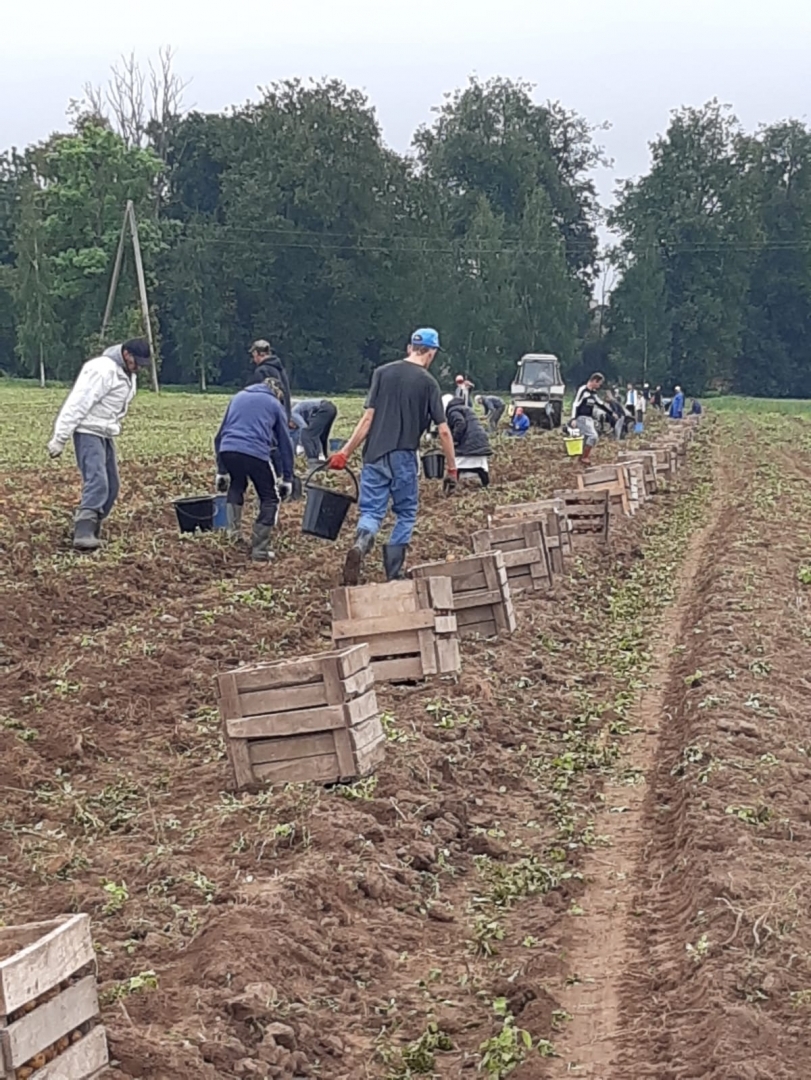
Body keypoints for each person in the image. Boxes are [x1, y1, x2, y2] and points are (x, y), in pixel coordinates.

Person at [328, 328, 456, 584]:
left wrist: (344, 452)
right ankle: (394, 572)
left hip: (374, 454)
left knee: (372, 510)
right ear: (431, 353)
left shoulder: (382, 373)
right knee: (406, 512)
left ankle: (362, 541)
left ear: (410, 347)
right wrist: (452, 468)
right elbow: (443, 431)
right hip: (404, 456)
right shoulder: (428, 383)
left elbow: (368, 419)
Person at [47, 339, 151, 552]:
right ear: (126, 354)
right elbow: (78, 402)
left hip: (104, 433)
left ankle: (94, 527)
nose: (139, 367)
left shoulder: (127, 374)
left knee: (112, 486)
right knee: (98, 481)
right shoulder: (101, 369)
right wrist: (60, 437)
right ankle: (83, 532)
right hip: (87, 430)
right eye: (136, 362)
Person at [214, 379, 294, 562]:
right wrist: (287, 478)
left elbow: (219, 436)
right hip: (255, 452)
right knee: (269, 497)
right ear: (278, 393)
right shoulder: (274, 404)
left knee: (237, 484)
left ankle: (233, 536)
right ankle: (260, 549)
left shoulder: (238, 397)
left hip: (228, 449)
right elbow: (285, 442)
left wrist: (222, 470)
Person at [442, 393, 492, 487]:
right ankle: (486, 485)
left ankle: (451, 487)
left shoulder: (453, 411)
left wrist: (454, 439)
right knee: (479, 466)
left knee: (456, 465)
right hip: (479, 440)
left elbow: (460, 424)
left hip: (470, 442)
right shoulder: (464, 408)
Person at [571, 372, 614, 465]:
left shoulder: (593, 393)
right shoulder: (583, 390)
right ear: (594, 381)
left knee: (587, 438)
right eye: (599, 383)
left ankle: (581, 458)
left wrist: (611, 412)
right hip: (581, 417)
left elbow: (600, 403)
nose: (599, 386)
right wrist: (573, 419)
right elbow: (575, 404)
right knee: (593, 436)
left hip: (589, 418)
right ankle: (584, 457)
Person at [247, 339, 292, 421]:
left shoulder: (261, 371)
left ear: (257, 353)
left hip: (269, 418)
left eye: (253, 355)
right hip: (283, 416)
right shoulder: (280, 369)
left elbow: (256, 397)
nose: (253, 359)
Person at [290, 398, 338, 469]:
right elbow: (296, 438)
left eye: (292, 426)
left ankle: (313, 462)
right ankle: (326, 459)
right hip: (331, 408)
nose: (294, 427)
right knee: (321, 437)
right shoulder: (305, 415)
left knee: (306, 434)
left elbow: (304, 428)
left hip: (323, 408)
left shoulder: (293, 413)